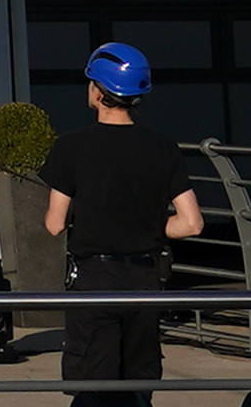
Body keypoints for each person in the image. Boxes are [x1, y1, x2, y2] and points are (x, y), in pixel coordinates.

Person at [37, 39, 202, 384]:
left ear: (98, 92)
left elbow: (54, 223)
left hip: (95, 281)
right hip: (145, 281)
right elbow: (191, 223)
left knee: (93, 388)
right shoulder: (163, 147)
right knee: (138, 386)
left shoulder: (71, 147)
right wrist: (152, 225)